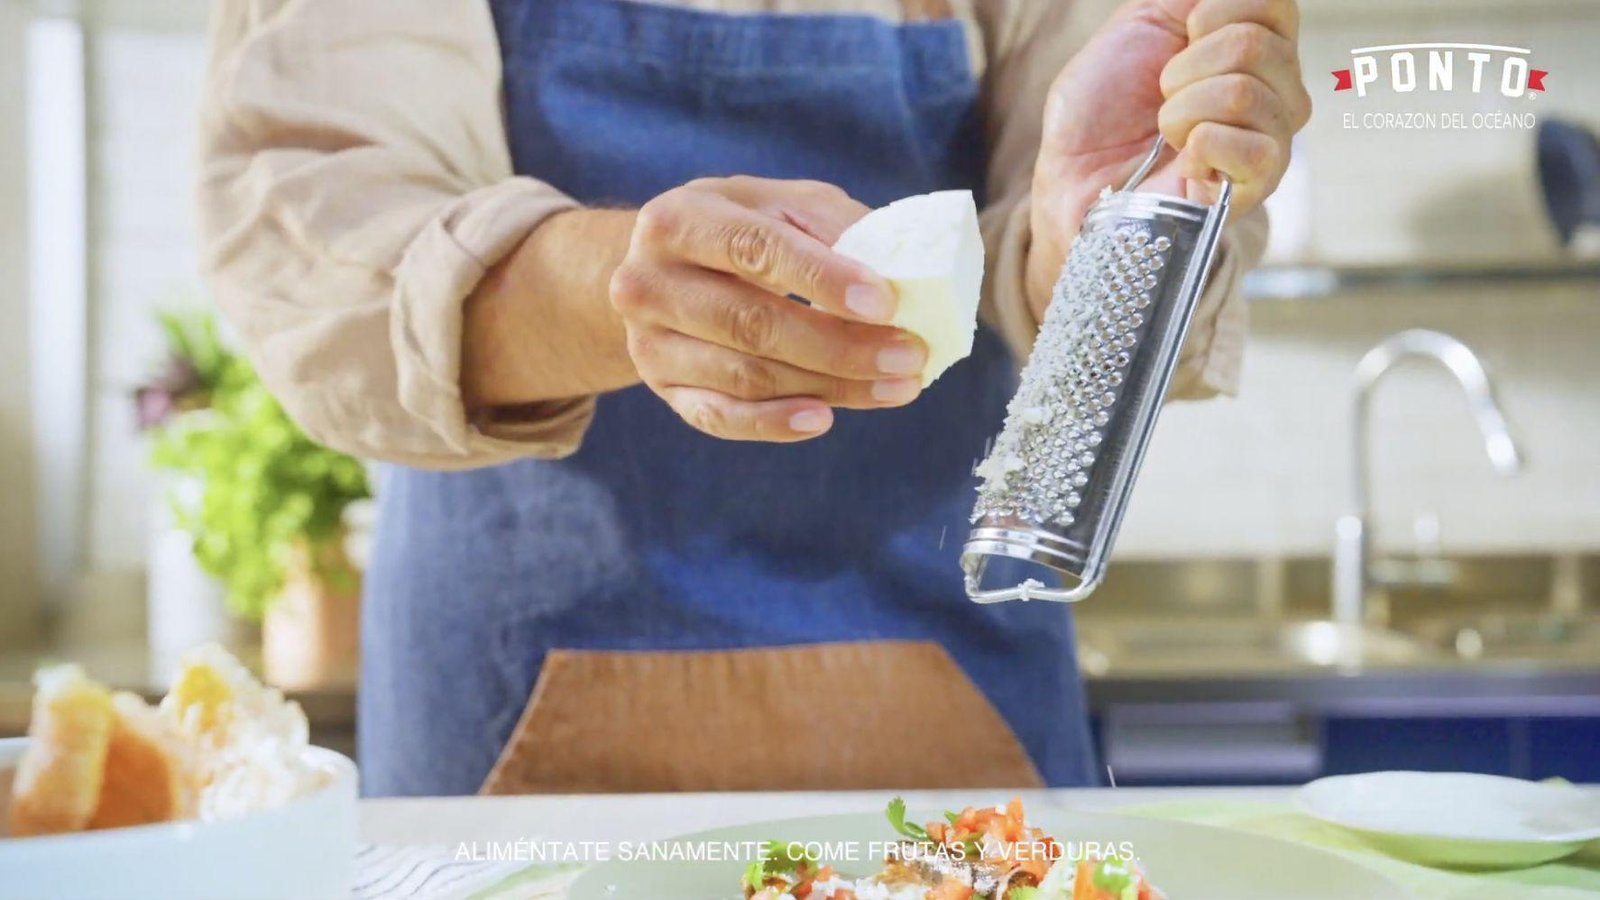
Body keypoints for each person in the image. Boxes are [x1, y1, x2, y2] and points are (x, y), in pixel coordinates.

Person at [198, 0, 1309, 796]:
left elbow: (1062, 237)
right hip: (507, 720)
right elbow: (318, 230)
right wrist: (624, 293)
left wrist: (1107, 230)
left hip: (959, 714)